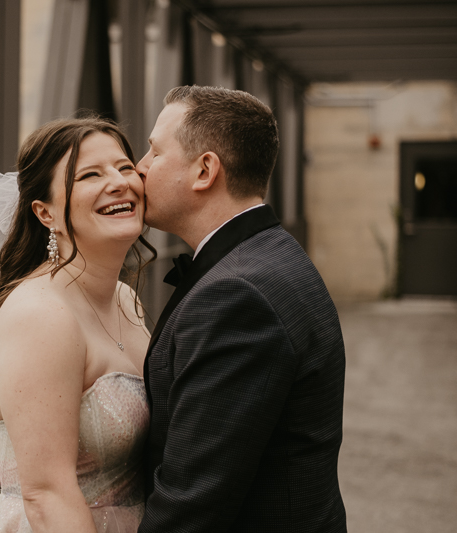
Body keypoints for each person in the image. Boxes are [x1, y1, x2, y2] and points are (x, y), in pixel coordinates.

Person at [136, 85, 347, 532]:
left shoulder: (236, 295)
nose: (140, 168)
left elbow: (193, 502)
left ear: (204, 170)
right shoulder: (272, 254)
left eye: (154, 152)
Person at [0, 117, 155, 532]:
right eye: (90, 175)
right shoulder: (40, 316)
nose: (119, 182)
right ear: (46, 213)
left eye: (124, 167)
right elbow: (45, 495)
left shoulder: (124, 298)